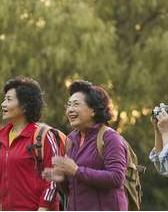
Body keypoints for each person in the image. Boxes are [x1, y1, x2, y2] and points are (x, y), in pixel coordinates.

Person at [0, 76, 60, 211]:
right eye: (4, 99)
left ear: (25, 106)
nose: (3, 104)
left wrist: (43, 207)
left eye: (9, 99)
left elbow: (55, 176)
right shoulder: (2, 138)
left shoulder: (42, 136)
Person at [43, 80, 128, 211]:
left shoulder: (110, 138)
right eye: (68, 105)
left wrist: (77, 171)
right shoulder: (71, 139)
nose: (70, 110)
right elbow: (72, 189)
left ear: (93, 110)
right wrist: (61, 179)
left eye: (76, 104)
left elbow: (116, 178)